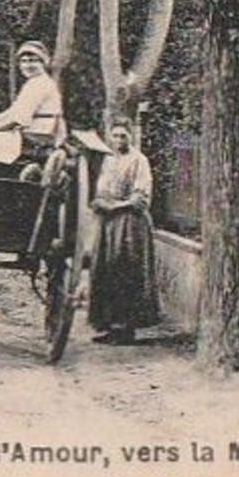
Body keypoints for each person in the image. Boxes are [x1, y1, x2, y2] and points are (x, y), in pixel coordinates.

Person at [87, 119, 161, 344]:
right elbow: (99, 189)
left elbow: (140, 197)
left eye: (123, 136)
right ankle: (109, 325)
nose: (119, 140)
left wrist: (116, 206)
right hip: (107, 222)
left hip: (130, 222)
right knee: (105, 269)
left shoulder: (139, 160)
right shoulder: (107, 159)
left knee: (125, 270)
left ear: (131, 136)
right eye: (115, 135)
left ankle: (127, 328)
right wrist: (99, 202)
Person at [0, 40, 64, 148]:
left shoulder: (40, 84)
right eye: (24, 61)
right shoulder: (34, 82)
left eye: (33, 61)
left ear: (43, 63)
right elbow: (13, 112)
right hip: (34, 131)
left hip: (39, 133)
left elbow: (19, 119)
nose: (28, 66)